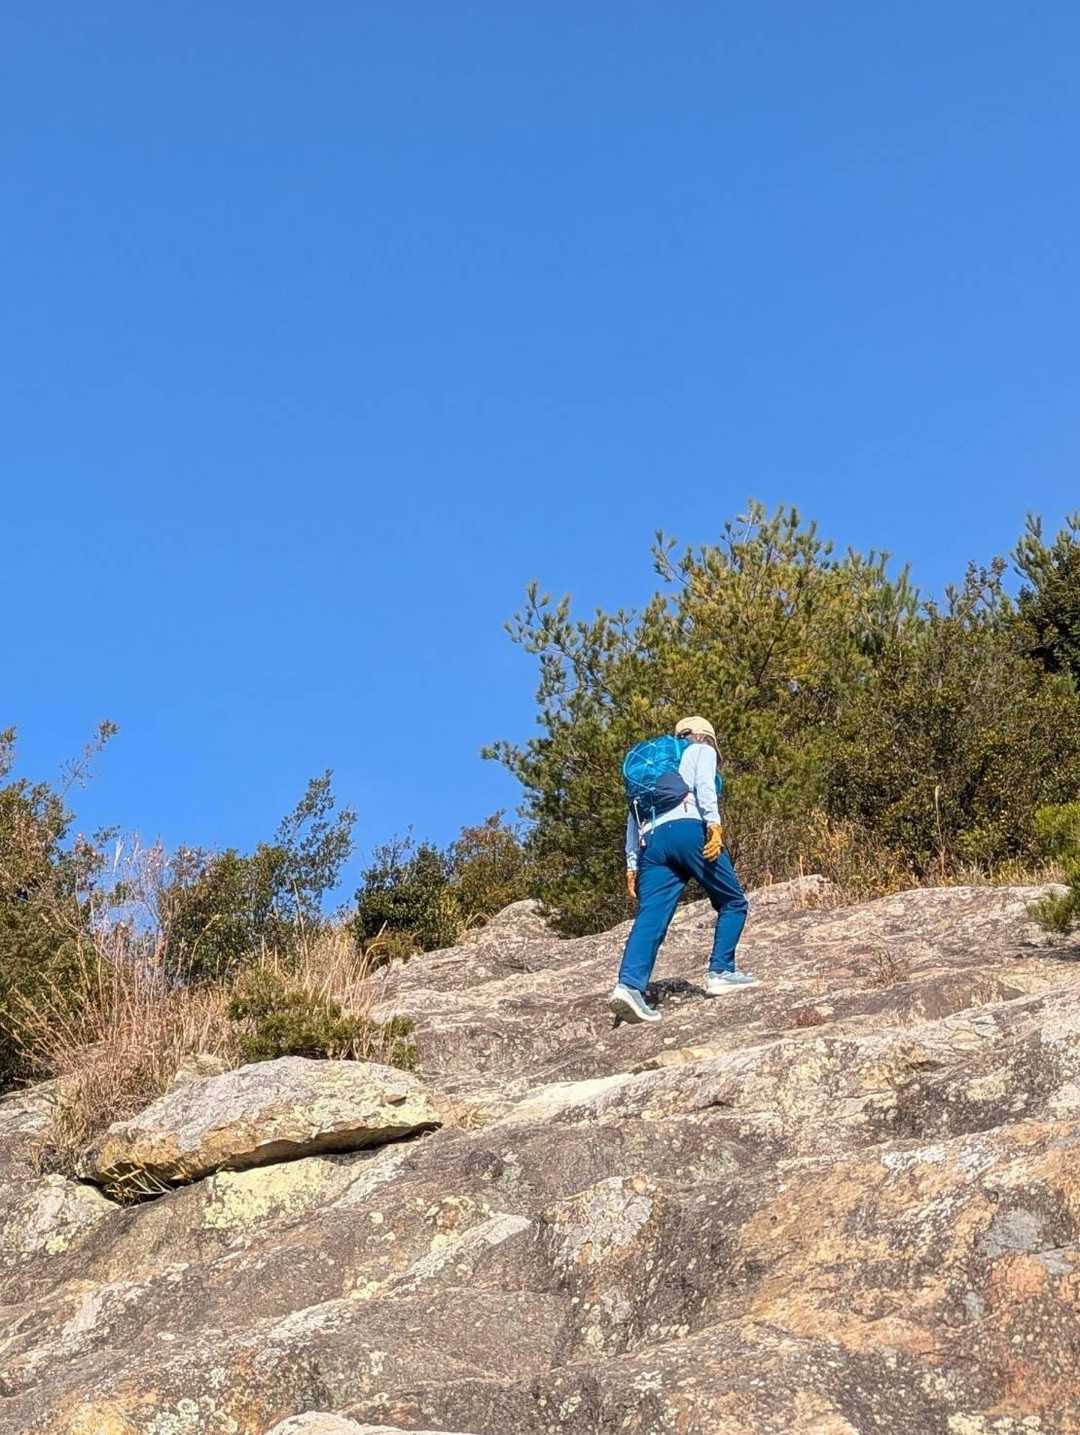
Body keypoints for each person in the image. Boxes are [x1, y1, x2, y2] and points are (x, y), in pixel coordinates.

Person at [608, 716, 754, 1025]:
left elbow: (633, 818)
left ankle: (629, 987)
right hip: (688, 829)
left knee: (651, 917)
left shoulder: (651, 771)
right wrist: (714, 825)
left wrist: (632, 864)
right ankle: (721, 972)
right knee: (733, 902)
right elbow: (704, 786)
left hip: (652, 845)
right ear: (705, 736)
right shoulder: (699, 749)